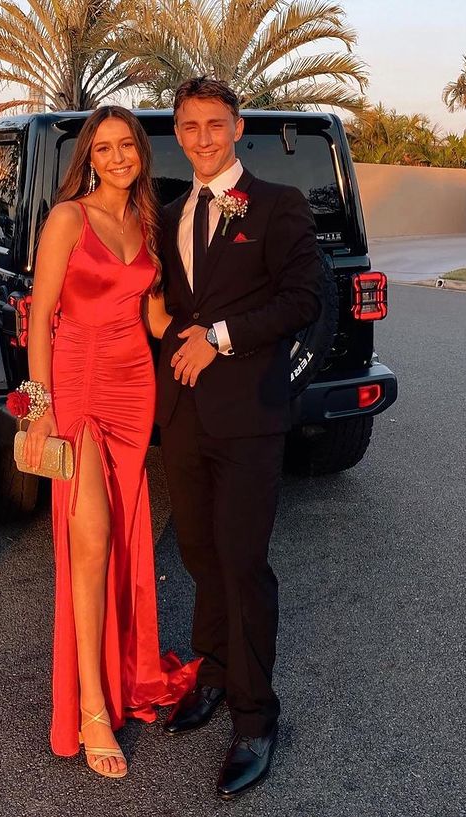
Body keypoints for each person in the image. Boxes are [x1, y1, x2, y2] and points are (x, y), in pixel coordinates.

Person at [156, 78, 323, 799]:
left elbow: (303, 299)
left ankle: (255, 718)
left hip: (250, 416)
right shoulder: (169, 215)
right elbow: (164, 304)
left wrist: (219, 337)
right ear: (178, 133)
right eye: (190, 126)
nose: (203, 138)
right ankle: (215, 673)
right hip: (184, 415)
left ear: (237, 126)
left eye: (215, 124)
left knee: (243, 561)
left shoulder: (279, 205)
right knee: (198, 551)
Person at [22, 106, 197, 779]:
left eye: (127, 145)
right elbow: (41, 314)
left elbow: (153, 317)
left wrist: (212, 330)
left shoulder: (148, 223)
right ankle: (91, 707)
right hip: (76, 384)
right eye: (105, 147)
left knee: (123, 535)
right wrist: (39, 410)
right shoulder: (69, 218)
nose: (118, 156)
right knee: (89, 535)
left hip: (132, 388)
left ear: (141, 153)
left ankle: (121, 673)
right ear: (89, 159)